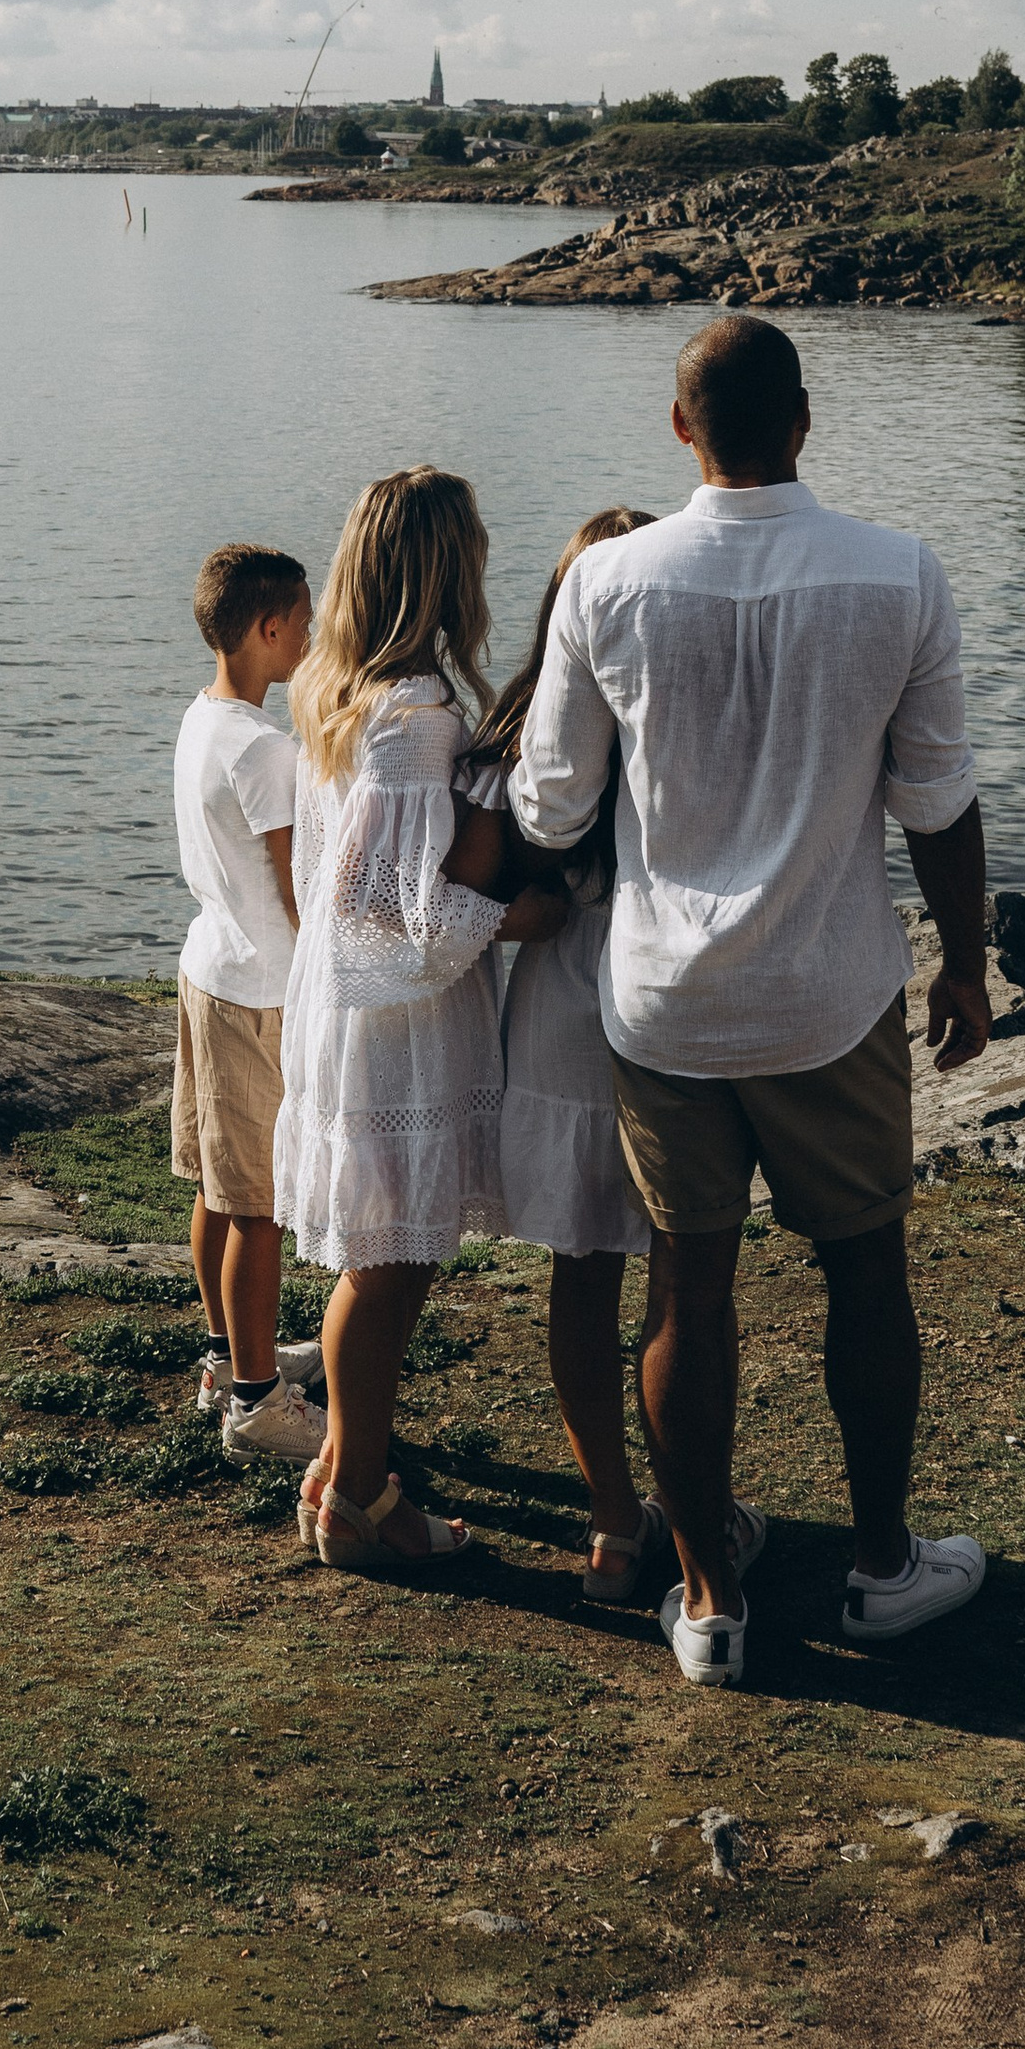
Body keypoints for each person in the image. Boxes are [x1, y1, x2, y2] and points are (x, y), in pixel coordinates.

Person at [512, 311, 993, 1688]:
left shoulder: (606, 583)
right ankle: (884, 1567)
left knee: (688, 1287)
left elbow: (551, 806)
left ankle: (713, 1604)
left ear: (680, 429)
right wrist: (964, 965)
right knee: (866, 1272)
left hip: (666, 1004)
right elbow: (938, 801)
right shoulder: (899, 574)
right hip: (832, 996)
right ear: (804, 419)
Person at [274, 466, 566, 1571]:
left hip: (350, 1002)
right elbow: (385, 904)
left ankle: (343, 1466)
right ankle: (358, 1501)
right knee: (387, 1259)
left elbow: (330, 883)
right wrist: (521, 916)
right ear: (448, 568)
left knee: (391, 1251)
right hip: (395, 1014)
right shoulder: (417, 717)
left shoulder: (336, 688)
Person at [462, 510, 678, 1606]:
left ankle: (611, 1523)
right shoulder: (675, 720)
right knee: (684, 1285)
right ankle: (691, 1519)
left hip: (554, 1025)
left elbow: (468, 876)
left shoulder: (513, 731)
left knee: (582, 1281)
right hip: (662, 1020)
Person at [171, 543, 327, 1467]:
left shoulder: (206, 718)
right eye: (304, 623)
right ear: (269, 629)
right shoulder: (266, 751)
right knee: (257, 1209)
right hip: (259, 991)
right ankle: (259, 1404)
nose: (312, 637)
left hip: (210, 968)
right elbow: (297, 888)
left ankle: (227, 1359)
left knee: (218, 1188)